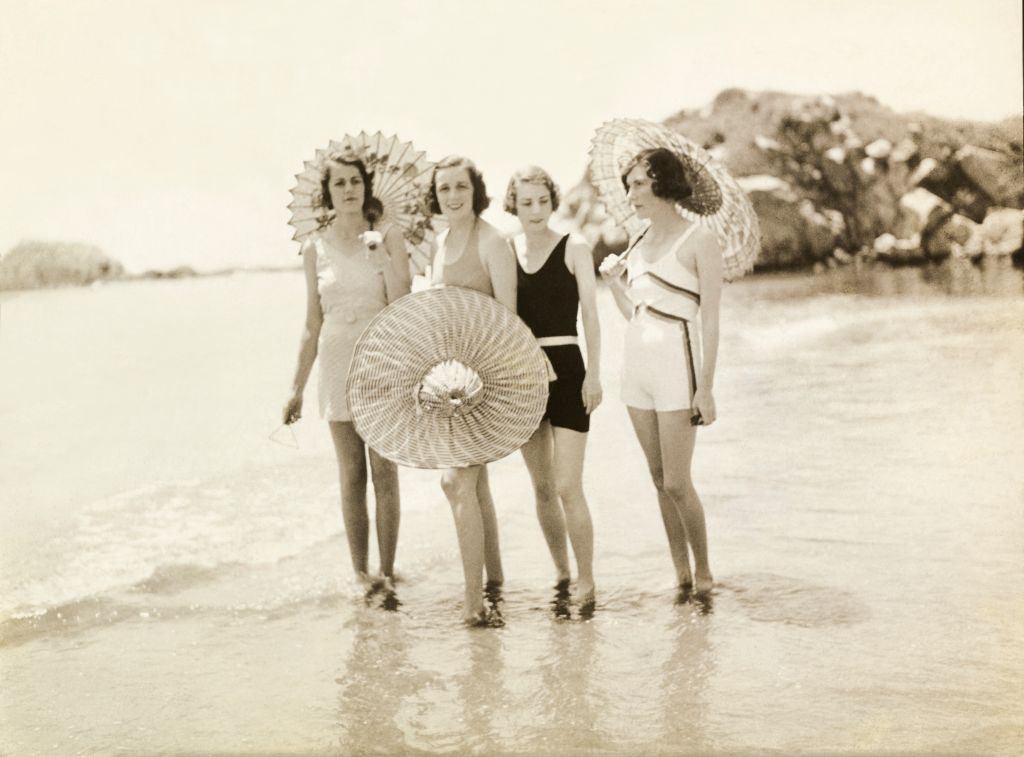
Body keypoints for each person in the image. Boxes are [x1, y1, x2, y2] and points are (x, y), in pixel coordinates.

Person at [283, 155, 411, 594]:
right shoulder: (314, 249)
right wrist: (295, 388)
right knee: (351, 474)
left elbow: (401, 298)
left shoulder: (388, 235)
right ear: (328, 193)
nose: (349, 189)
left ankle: (388, 572)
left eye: (355, 181)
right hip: (336, 358)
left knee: (384, 471)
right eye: (339, 183)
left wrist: (381, 254)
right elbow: (310, 322)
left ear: (366, 187)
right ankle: (361, 575)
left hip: (381, 355)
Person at [600, 147, 721, 597]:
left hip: (677, 364)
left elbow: (710, 320)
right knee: (656, 479)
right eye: (628, 185)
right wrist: (614, 283)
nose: (630, 194)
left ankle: (705, 571)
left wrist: (705, 388)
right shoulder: (638, 241)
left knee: (676, 480)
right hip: (636, 369)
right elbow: (637, 313)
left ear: (662, 184)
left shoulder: (699, 241)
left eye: (637, 184)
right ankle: (681, 574)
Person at [504, 166, 602, 607]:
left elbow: (592, 319)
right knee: (541, 488)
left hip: (569, 369)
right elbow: (502, 318)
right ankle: (561, 573)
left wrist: (596, 375)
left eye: (542, 200)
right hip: (525, 374)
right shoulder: (507, 249)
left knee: (568, 486)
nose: (536, 210)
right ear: (514, 205)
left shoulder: (575, 246)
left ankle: (587, 578)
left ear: (552, 200)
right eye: (526, 203)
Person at [426, 155, 517, 625]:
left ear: (475, 190)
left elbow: (509, 321)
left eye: (460, 187)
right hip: (449, 378)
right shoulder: (441, 242)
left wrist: (483, 377)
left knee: (455, 480)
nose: (453, 196)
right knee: (474, 484)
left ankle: (473, 602)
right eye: (444, 189)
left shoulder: (493, 241)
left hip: (485, 378)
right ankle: (495, 580)